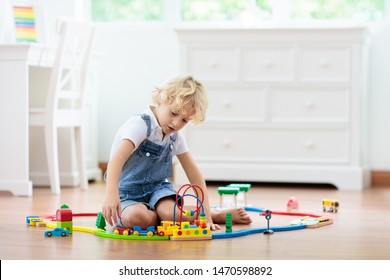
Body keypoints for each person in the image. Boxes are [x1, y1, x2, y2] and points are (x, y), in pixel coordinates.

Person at [102, 75, 252, 231]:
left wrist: (206, 216)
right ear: (160, 99)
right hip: (127, 193)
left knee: (170, 213)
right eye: (173, 113)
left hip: (158, 191)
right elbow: (116, 161)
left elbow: (194, 175)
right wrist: (111, 195)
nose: (176, 123)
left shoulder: (175, 137)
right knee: (136, 218)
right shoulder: (140, 125)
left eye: (185, 120)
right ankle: (175, 217)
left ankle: (210, 215)